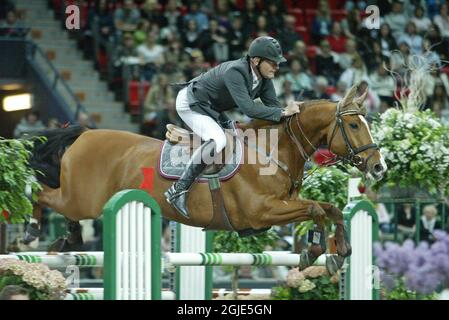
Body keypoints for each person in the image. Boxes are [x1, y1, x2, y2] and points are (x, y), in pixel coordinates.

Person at [164, 36, 301, 218]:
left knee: (237, 138)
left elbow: (274, 109)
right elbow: (249, 109)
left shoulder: (264, 79)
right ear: (256, 60)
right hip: (192, 102)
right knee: (219, 140)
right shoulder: (235, 71)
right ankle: (178, 190)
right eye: (273, 63)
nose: (277, 67)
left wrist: (290, 114)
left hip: (212, 107)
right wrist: (284, 112)